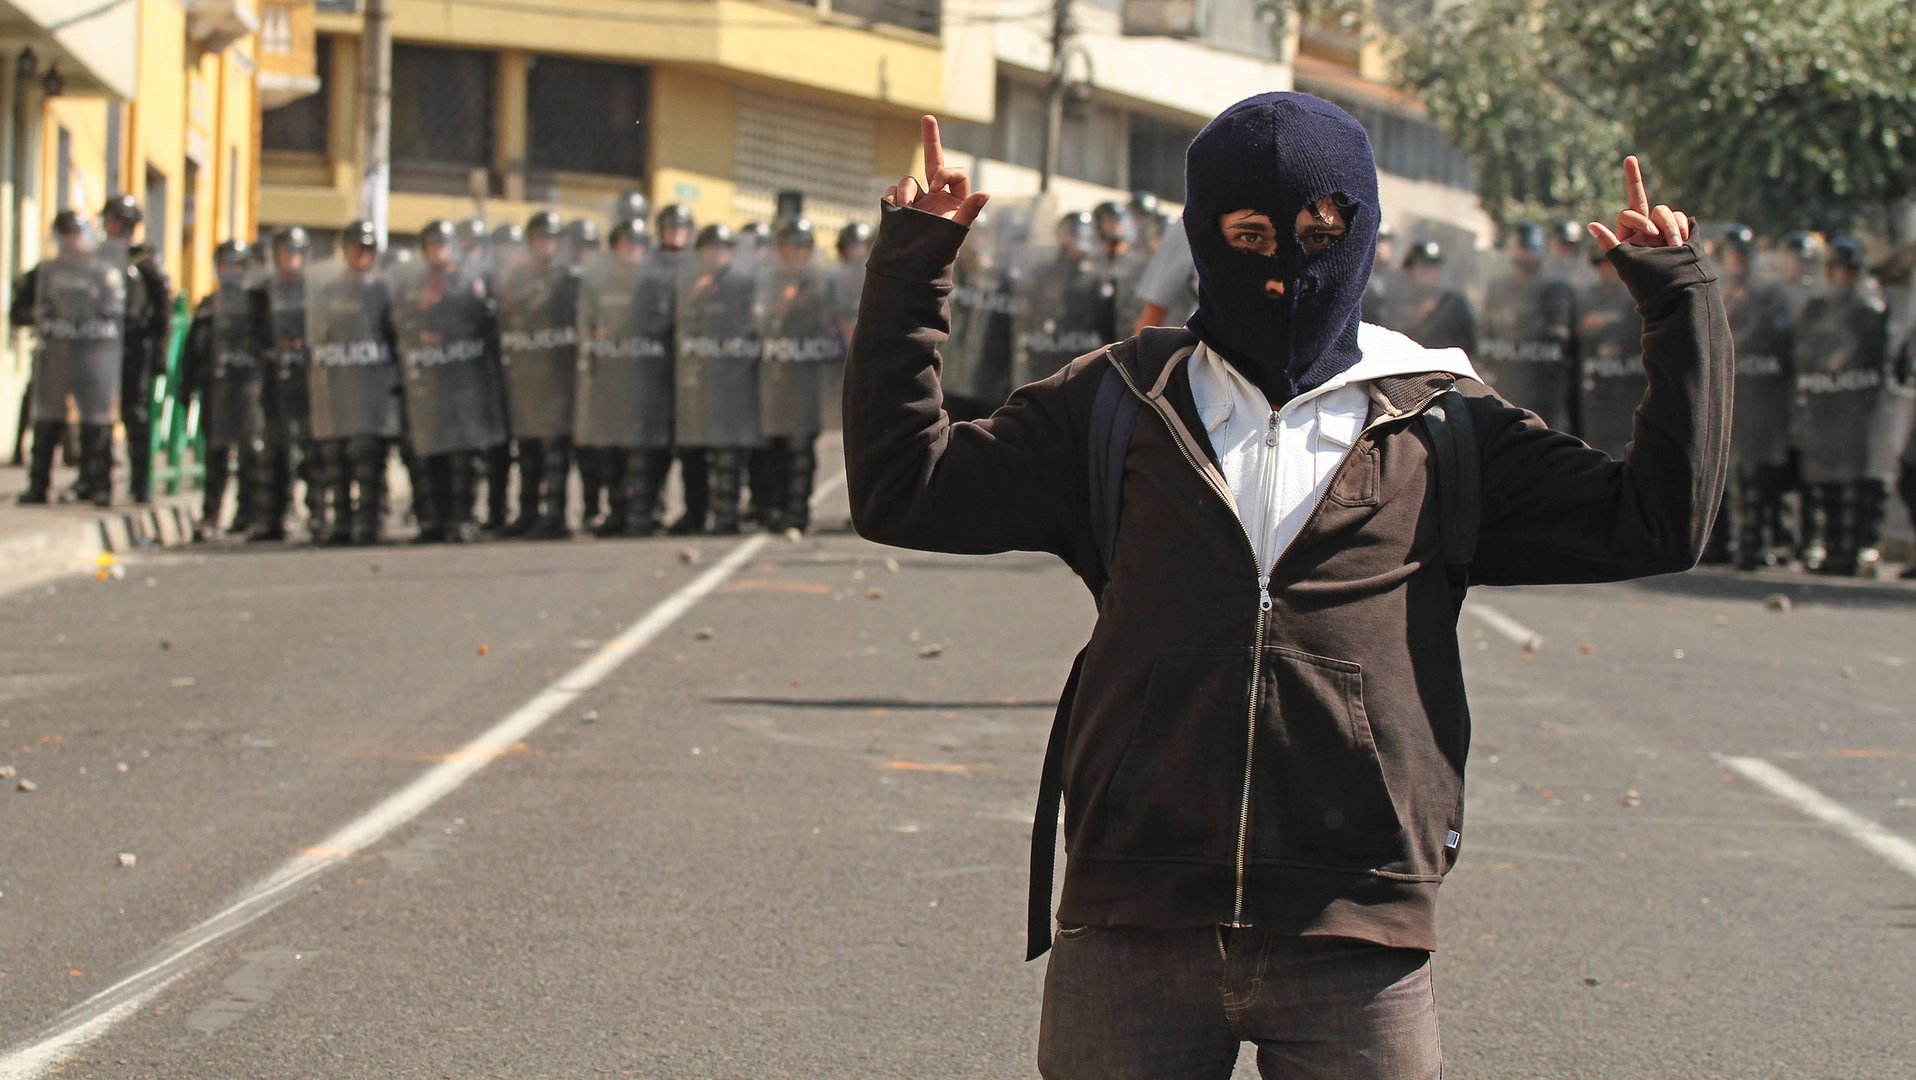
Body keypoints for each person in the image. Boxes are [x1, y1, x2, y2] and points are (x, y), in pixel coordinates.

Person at [849, 98, 1728, 1077]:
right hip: (1131, 918)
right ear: (1200, 237)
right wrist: (911, 267)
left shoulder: (1441, 422)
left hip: (1356, 932)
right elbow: (904, 490)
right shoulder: (1118, 401)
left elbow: (1658, 520)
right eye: (1251, 235)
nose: (1289, 265)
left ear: (1363, 228)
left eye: (1320, 231)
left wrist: (1676, 303)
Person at [392, 220, 507, 543]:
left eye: (443, 244)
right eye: (432, 245)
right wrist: (419, 313)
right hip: (429, 379)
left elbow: (486, 323)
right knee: (430, 454)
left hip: (464, 377)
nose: (438, 251)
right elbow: (399, 322)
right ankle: (433, 520)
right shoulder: (414, 284)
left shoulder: (469, 280)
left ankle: (463, 517)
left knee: (462, 457)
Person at [1790, 236, 1894, 576]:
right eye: (1839, 270)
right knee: (1826, 484)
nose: (1844, 277)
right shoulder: (1817, 308)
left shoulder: (1870, 310)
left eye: (1850, 271)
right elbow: (1803, 350)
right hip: (1824, 406)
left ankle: (1850, 551)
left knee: (1855, 484)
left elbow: (1877, 358)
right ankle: (1832, 549)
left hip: (1855, 409)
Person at [14, 210, 127, 506]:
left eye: (74, 235)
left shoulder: (102, 273)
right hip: (56, 357)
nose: (70, 242)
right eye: (64, 236)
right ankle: (38, 484)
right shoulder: (45, 272)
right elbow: (19, 310)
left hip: (93, 359)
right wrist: (39, 316)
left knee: (96, 422)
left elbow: (118, 313)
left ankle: (98, 484)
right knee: (47, 420)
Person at [575, 217, 676, 537]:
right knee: (612, 453)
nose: (631, 250)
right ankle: (617, 511)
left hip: (647, 378)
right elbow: (587, 325)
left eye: (637, 244)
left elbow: (664, 324)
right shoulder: (600, 283)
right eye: (625, 243)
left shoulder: (657, 283)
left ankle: (642, 512)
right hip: (610, 379)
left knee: (643, 453)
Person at [305, 220, 403, 545]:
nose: (360, 254)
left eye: (366, 249)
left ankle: (370, 521)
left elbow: (395, 336)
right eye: (355, 248)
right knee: (335, 457)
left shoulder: (382, 289)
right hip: (338, 386)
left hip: (371, 388)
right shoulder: (328, 291)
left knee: (367, 458)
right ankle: (342, 522)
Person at [753, 217, 845, 533]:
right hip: (776, 376)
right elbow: (758, 325)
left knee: (800, 445)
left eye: (802, 247)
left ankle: (797, 512)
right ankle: (776, 509)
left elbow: (838, 324)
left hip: (808, 377)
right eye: (790, 246)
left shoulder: (823, 283)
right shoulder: (767, 282)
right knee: (775, 447)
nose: (796, 253)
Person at [494, 210, 581, 539]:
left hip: (558, 375)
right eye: (539, 238)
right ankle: (527, 513)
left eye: (550, 239)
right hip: (527, 375)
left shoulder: (570, 279)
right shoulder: (517, 278)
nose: (545, 245)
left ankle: (555, 515)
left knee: (555, 450)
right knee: (528, 451)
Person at [670, 223, 761, 535]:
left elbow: (754, 326)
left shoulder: (743, 284)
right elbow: (678, 325)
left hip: (732, 379)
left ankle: (726, 514)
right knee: (692, 452)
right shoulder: (688, 284)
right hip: (696, 380)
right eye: (710, 249)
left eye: (721, 249)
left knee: (728, 453)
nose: (715, 255)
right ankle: (695, 513)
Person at [1717, 225, 1796, 569]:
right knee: (1721, 474)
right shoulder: (1716, 292)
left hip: (1761, 398)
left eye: (1744, 254)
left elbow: (1779, 337)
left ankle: (1757, 543)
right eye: (1733, 253)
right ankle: (1719, 543)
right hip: (1727, 396)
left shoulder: (1768, 295)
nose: (1738, 260)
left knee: (1758, 477)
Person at [180, 241, 265, 540]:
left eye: (237, 265)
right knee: (215, 454)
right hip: (216, 388)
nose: (231, 272)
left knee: (249, 453)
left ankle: (248, 513)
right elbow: (191, 352)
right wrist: (185, 387)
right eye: (226, 265)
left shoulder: (257, 306)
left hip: (250, 387)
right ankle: (211, 514)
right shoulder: (209, 306)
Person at [102, 195, 171, 505]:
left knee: (136, 415)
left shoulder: (144, 262)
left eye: (115, 220)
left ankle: (140, 484)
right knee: (100, 416)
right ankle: (97, 482)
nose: (110, 226)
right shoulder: (100, 258)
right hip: (102, 345)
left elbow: (163, 311)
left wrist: (160, 351)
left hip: (134, 346)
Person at [1398, 239, 1476, 354]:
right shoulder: (1396, 304)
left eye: (1433, 266)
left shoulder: (1454, 306)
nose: (1429, 271)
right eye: (1423, 265)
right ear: (1410, 269)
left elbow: (1469, 347)